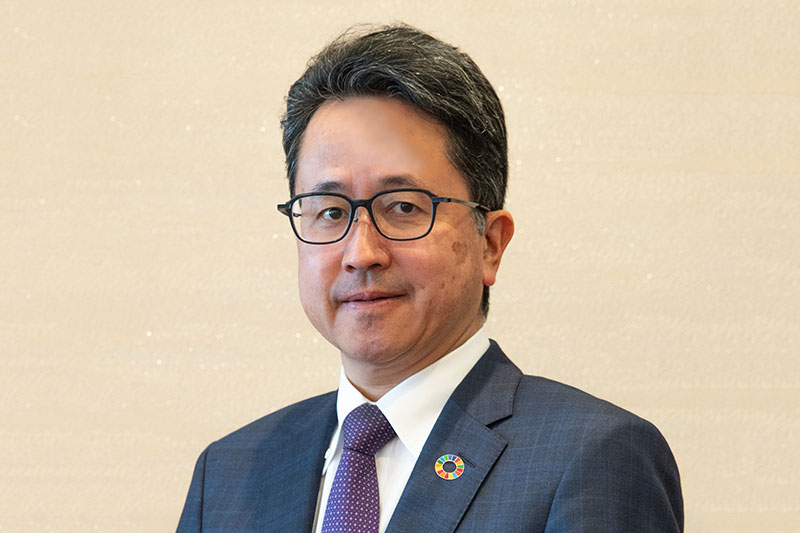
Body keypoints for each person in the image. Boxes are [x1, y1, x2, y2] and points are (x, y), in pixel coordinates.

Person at [177, 24, 683, 532]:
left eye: (402, 207)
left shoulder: (593, 457)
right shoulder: (227, 475)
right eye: (330, 212)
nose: (361, 253)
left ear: (490, 244)